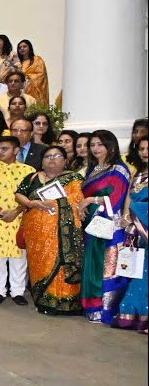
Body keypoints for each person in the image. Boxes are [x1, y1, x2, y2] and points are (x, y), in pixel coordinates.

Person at [14, 145, 87, 316]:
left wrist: (54, 204)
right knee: (40, 265)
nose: (51, 159)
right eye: (47, 156)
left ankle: (66, 303)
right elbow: (19, 194)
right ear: (42, 160)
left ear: (65, 160)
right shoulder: (32, 177)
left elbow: (76, 200)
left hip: (62, 233)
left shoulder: (73, 178)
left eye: (56, 155)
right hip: (35, 232)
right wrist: (33, 203)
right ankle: (44, 301)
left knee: (61, 264)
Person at [79, 131, 132, 324]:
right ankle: (92, 308)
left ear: (110, 145)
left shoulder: (118, 169)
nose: (95, 148)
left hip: (110, 224)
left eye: (100, 144)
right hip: (92, 225)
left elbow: (117, 198)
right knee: (93, 264)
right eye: (92, 144)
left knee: (107, 266)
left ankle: (107, 309)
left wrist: (90, 200)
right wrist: (82, 208)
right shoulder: (92, 169)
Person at [0, 135, 35, 304]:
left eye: (5, 149)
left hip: (20, 218)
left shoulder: (29, 171)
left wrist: (16, 211)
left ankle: (18, 291)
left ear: (16, 150)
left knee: (19, 256)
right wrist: (2, 213)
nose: (0, 152)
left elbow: (31, 196)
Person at [112, 137, 147, 332]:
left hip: (145, 225)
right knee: (137, 270)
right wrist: (126, 216)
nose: (145, 152)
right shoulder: (138, 172)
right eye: (141, 148)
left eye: (148, 148)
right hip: (135, 227)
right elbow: (129, 197)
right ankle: (133, 314)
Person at [17, 39, 49, 104]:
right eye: (20, 47)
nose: (22, 49)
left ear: (29, 47)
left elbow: (41, 74)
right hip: (20, 89)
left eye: (24, 46)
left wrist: (26, 78)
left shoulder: (37, 59)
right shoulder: (18, 62)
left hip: (33, 90)